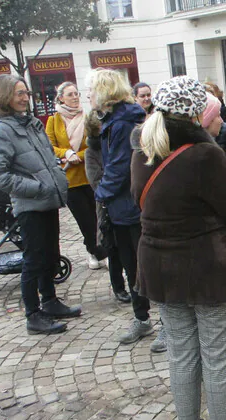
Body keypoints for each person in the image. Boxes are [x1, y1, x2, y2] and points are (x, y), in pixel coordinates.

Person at [130, 75, 226, 420]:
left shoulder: (144, 149)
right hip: (209, 270)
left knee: (182, 356)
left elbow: (148, 203)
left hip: (159, 268)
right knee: (218, 357)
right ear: (194, 111)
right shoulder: (204, 154)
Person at [0, 74, 81, 335]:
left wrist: (56, 177)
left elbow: (47, 156)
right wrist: (36, 188)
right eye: (19, 94)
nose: (25, 97)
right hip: (30, 205)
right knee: (34, 259)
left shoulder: (30, 123)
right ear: (5, 96)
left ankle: (49, 301)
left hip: (48, 200)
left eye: (26, 92)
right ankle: (33, 314)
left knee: (50, 254)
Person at [88, 68, 159, 348]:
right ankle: (142, 318)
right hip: (121, 207)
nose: (88, 96)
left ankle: (166, 323)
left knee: (146, 266)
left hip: (132, 206)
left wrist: (101, 195)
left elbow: (120, 168)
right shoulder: (111, 120)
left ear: (104, 92)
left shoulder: (124, 121)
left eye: (91, 90)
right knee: (131, 266)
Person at [46, 81, 108, 270]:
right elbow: (49, 146)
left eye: (76, 94)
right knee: (84, 220)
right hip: (70, 180)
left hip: (90, 175)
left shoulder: (88, 117)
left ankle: (102, 250)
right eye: (70, 94)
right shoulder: (53, 120)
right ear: (61, 97)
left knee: (98, 217)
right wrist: (65, 154)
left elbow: (94, 145)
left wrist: (77, 156)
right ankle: (93, 251)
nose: (75, 97)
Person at [83, 110, 131, 305]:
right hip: (107, 205)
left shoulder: (117, 144)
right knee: (113, 248)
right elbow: (95, 181)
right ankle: (118, 287)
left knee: (129, 246)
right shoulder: (91, 152)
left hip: (127, 201)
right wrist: (116, 180)